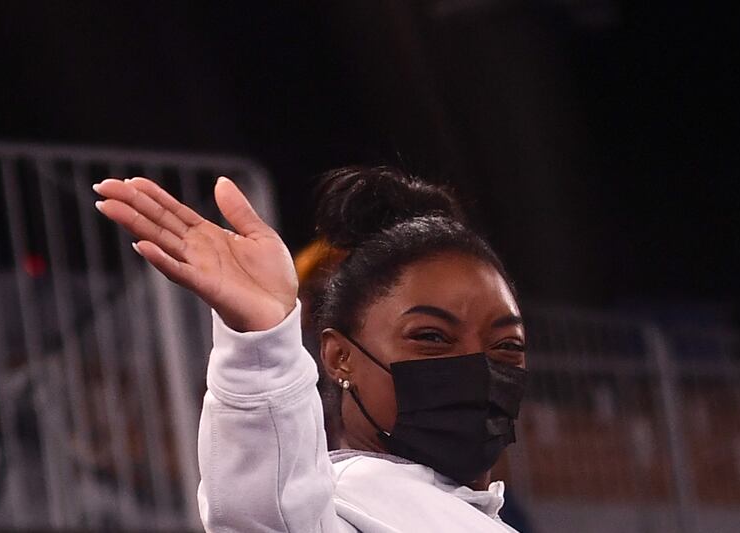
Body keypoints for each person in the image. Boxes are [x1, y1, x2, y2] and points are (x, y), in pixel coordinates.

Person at [93, 166, 529, 532]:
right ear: (341, 356)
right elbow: (271, 514)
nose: (478, 365)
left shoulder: (469, 514)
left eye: (507, 344)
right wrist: (261, 346)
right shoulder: (346, 506)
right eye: (431, 337)